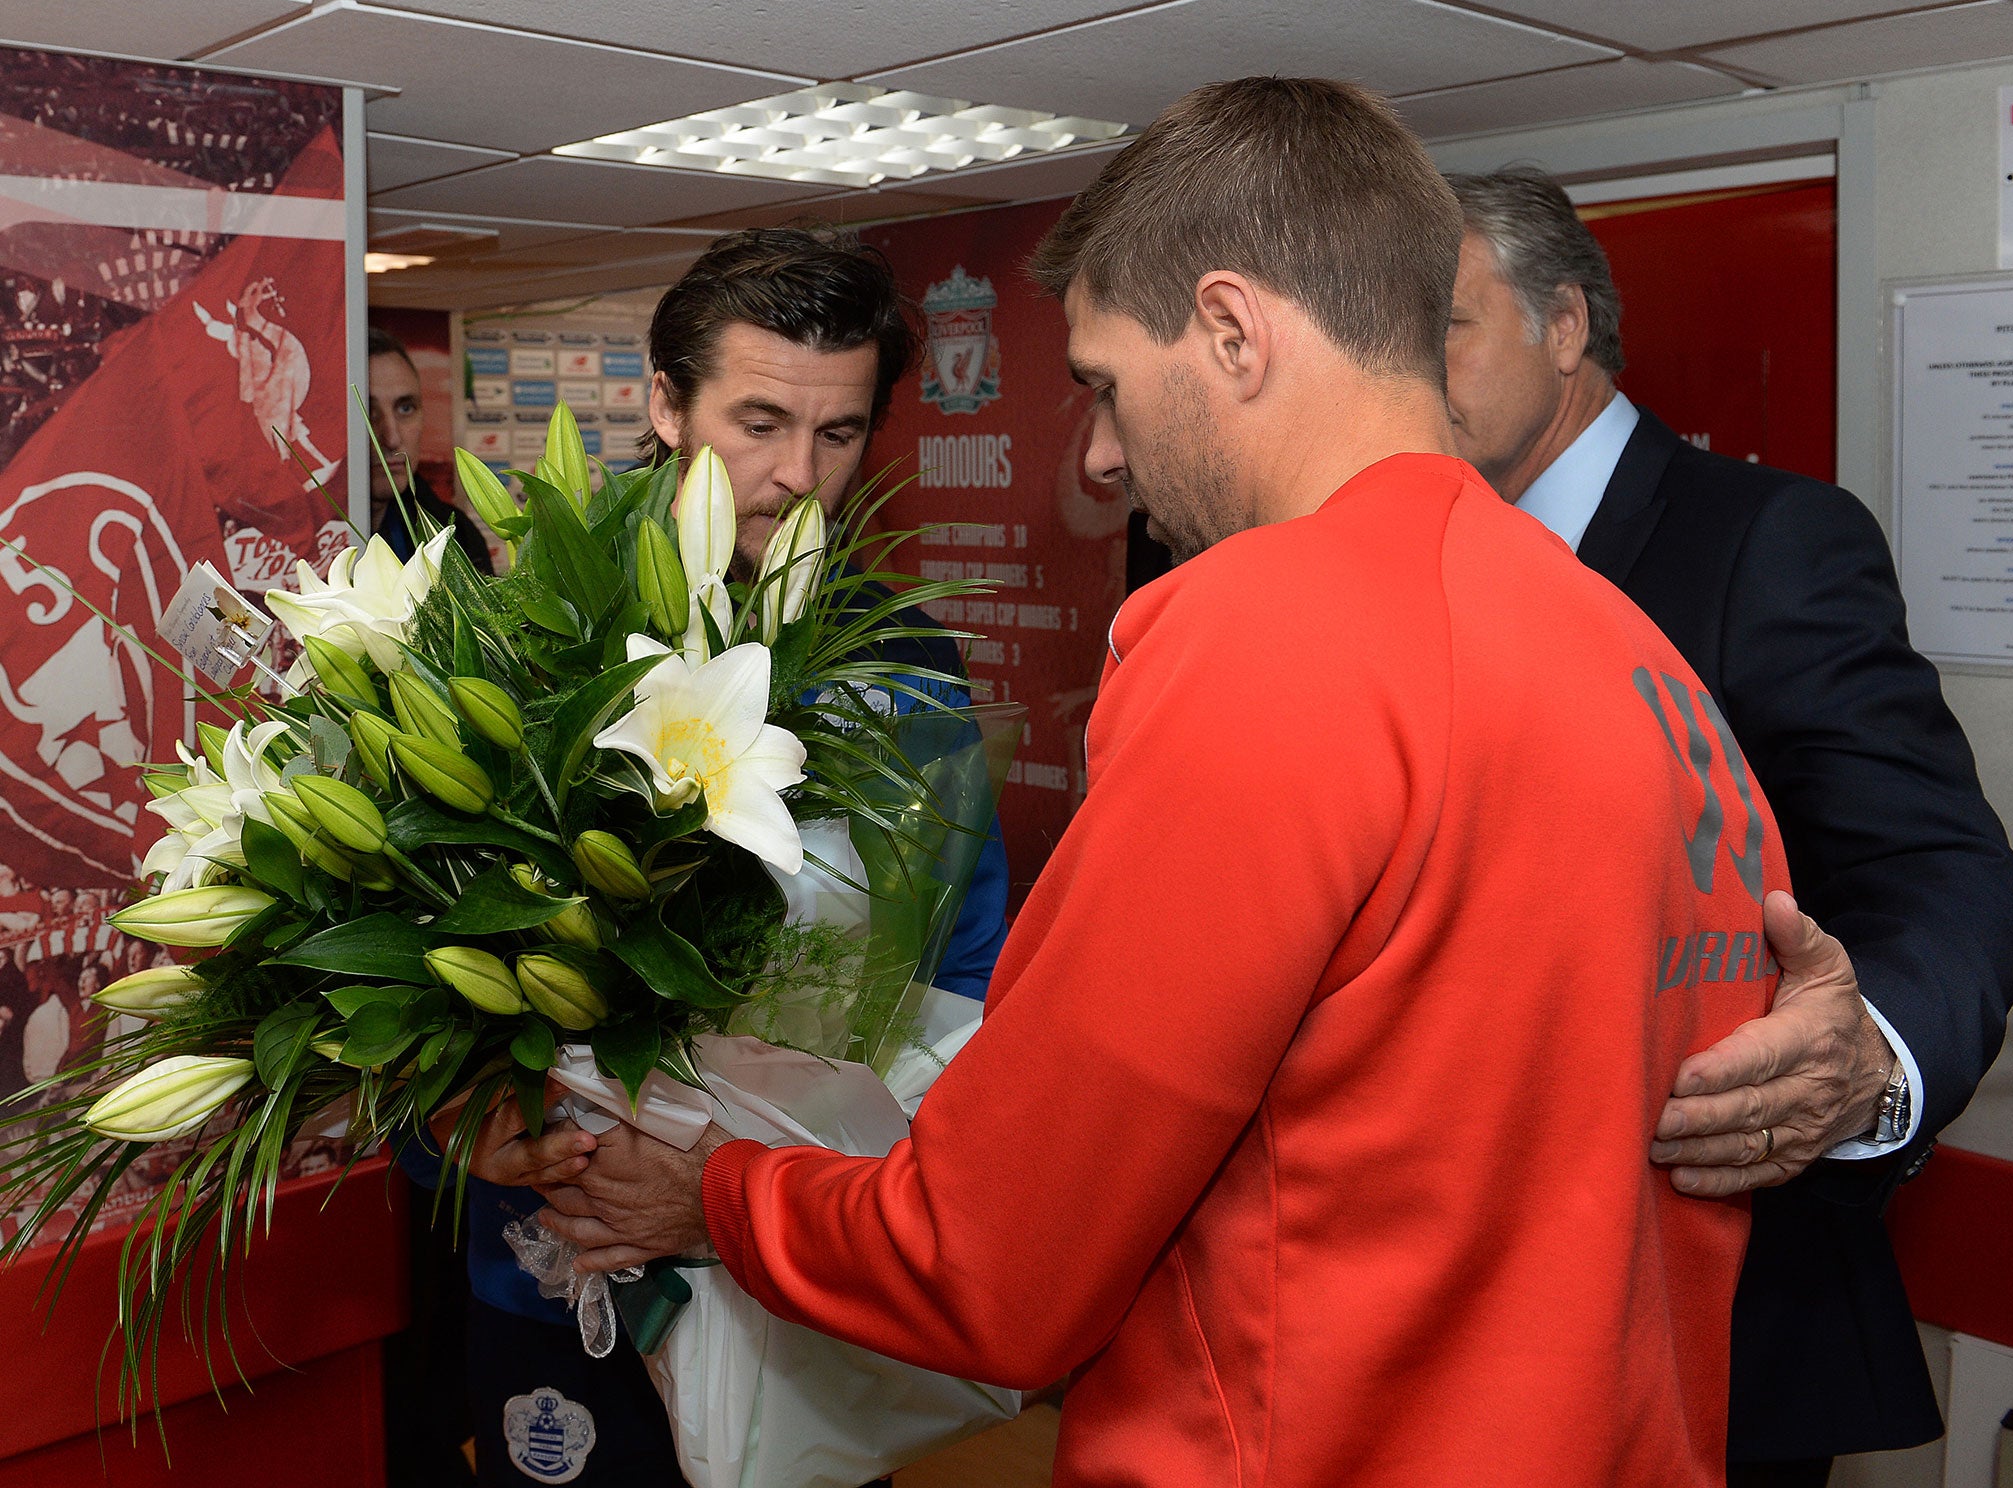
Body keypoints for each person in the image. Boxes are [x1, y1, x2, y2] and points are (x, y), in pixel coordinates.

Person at [532, 78, 1800, 1486]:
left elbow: (996, 1262)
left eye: (1106, 383)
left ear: (1232, 330)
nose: (1099, 452)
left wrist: (720, 1197)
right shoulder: (1632, 654)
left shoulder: (1268, 633)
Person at [1443, 165, 2013, 1485]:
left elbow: (1939, 860)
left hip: (1714, 1302)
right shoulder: (1416, 563)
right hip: (1468, 1311)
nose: (1409, 370)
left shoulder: (1767, 541)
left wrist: (1864, 1063)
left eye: (1447, 324)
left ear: (1564, 326)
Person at [404, 226, 1010, 1488]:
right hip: (561, 1266)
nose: (798, 475)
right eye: (758, 422)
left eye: (838, 435)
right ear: (668, 405)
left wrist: (790, 1191)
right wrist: (460, 1127)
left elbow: (964, 970)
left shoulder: (908, 668)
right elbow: (396, 954)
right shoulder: (517, 638)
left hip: (792, 1269)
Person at [365, 325, 491, 574]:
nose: (391, 438)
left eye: (405, 408)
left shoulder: (456, 536)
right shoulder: (297, 544)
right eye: (369, 411)